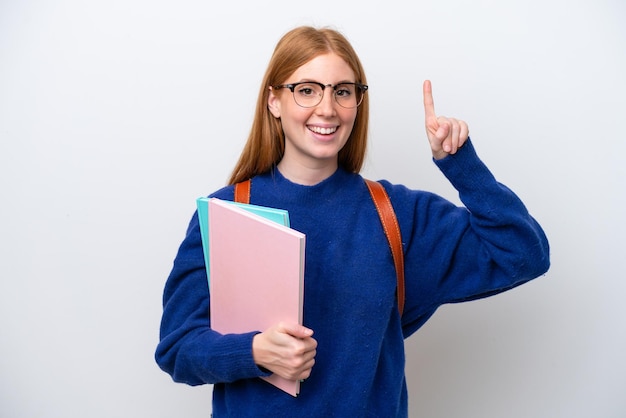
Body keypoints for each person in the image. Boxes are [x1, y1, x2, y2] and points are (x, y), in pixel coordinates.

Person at [155, 25, 550, 417]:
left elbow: (523, 254)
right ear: (274, 100)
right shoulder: (228, 212)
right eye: (307, 89)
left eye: (342, 91)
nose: (327, 108)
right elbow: (177, 349)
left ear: (356, 103)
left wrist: (461, 164)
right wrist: (254, 351)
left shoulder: (397, 215)